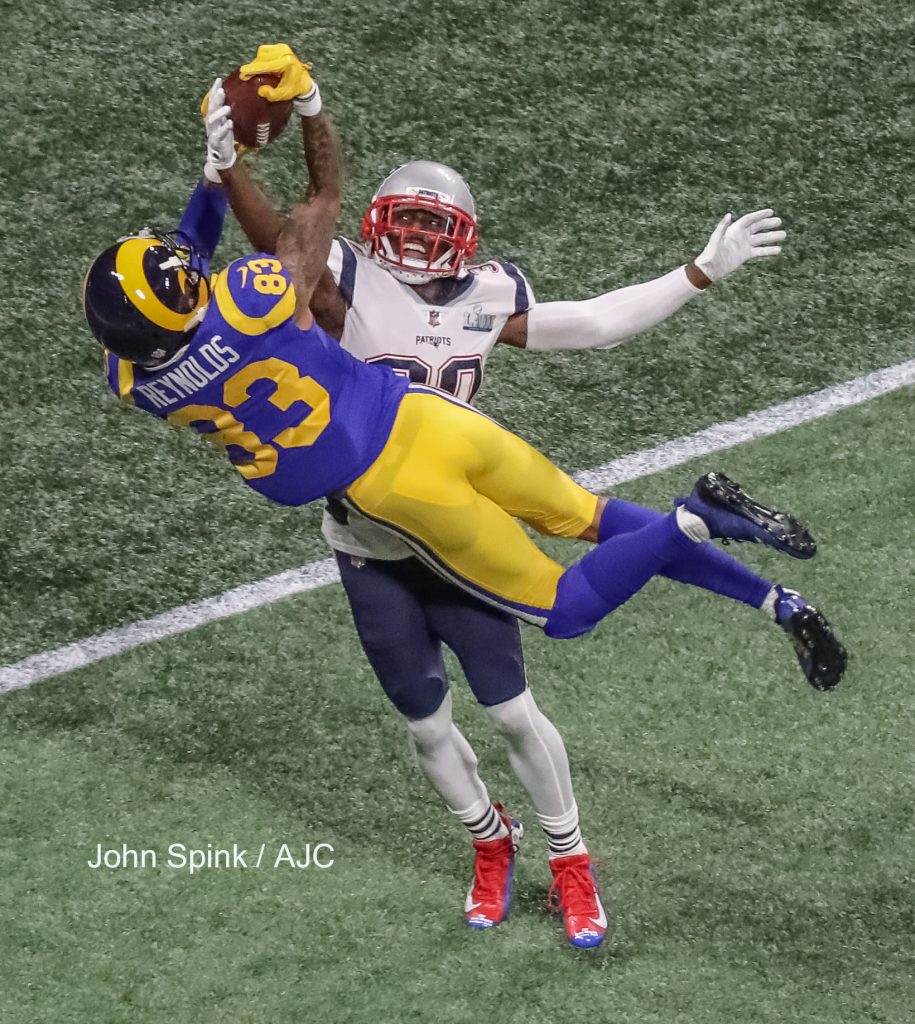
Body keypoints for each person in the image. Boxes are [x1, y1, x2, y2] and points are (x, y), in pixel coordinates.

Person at [83, 47, 847, 950]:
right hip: (385, 517)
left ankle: (575, 851)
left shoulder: (150, 372)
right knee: (439, 711)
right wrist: (246, 156)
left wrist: (697, 273)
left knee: (538, 660)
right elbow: (292, 229)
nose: (413, 241)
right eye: (402, 223)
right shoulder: (329, 284)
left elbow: (592, 321)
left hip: (420, 495)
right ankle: (495, 838)